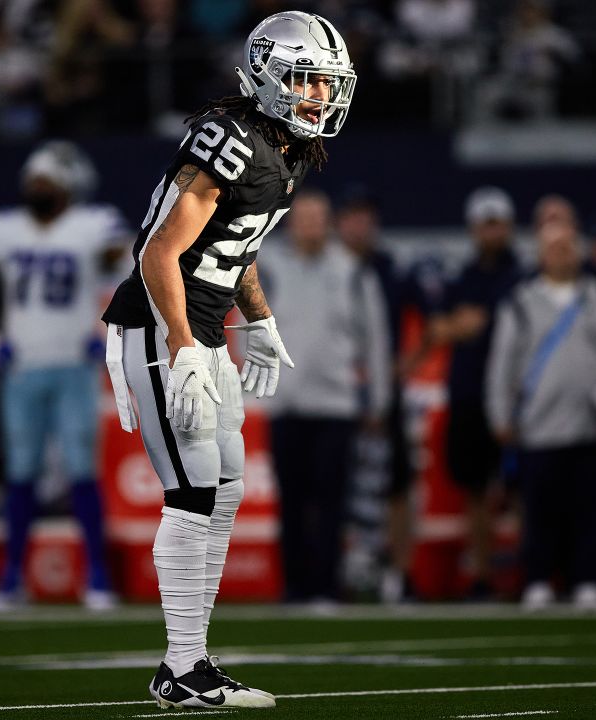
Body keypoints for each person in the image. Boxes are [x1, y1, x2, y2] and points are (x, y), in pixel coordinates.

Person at [101, 11, 356, 708]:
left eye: (326, 84)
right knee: (192, 491)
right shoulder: (231, 142)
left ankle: (192, 661)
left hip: (207, 328)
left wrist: (261, 319)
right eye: (306, 81)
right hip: (161, 322)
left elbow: (236, 247)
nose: (317, 97)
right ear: (268, 75)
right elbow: (157, 252)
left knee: (226, 489)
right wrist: (181, 345)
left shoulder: (287, 150)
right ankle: (182, 669)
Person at [0, 141, 127, 612]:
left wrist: (108, 326)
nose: (37, 189)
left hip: (74, 364)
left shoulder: (92, 226)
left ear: (69, 188)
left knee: (81, 472)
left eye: (46, 182)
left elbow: (134, 270)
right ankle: (11, 578)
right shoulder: (3, 229)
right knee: (20, 474)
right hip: (22, 366)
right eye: (33, 181)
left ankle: (97, 577)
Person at [260, 190, 391, 604]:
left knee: (332, 501)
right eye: (304, 217)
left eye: (319, 217)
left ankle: (326, 587)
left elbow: (376, 340)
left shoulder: (353, 271)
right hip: (287, 404)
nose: (311, 225)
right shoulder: (269, 266)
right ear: (290, 221)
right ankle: (294, 587)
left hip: (336, 405)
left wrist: (379, 399)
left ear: (329, 222)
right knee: (292, 500)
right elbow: (250, 326)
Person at [486, 219, 596, 611]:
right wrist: (500, 415)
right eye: (553, 248)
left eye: (568, 246)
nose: (561, 254)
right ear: (540, 254)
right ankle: (538, 580)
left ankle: (589, 580)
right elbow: (502, 363)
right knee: (540, 513)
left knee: (591, 512)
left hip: (592, 426)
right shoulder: (520, 300)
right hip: (539, 429)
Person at [423, 186, 521, 600]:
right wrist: (464, 323)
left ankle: (531, 576)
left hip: (515, 394)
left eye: (497, 222)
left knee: (521, 490)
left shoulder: (519, 274)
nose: (491, 231)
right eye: (484, 224)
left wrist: (465, 323)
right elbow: (441, 328)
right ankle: (482, 576)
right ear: (473, 228)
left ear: (509, 226)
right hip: (467, 393)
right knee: (476, 491)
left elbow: (475, 323)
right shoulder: (464, 274)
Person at [336, 190, 416, 603]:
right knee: (337, 485)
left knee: (396, 483)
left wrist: (401, 366)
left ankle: (397, 577)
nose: (358, 225)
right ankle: (344, 572)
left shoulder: (388, 267)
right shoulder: (328, 265)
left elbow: (432, 320)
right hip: (336, 392)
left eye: (365, 217)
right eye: (351, 216)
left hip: (384, 391)